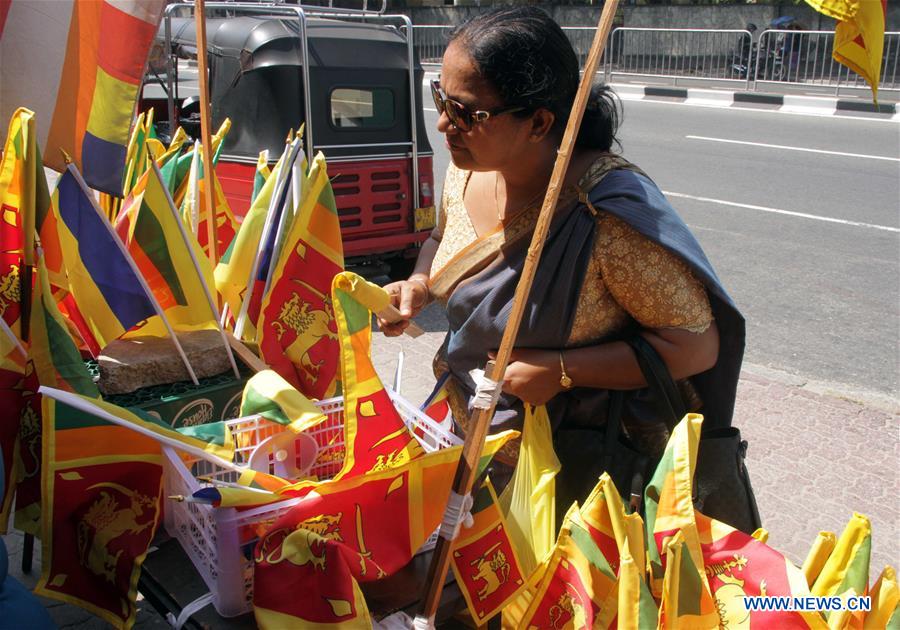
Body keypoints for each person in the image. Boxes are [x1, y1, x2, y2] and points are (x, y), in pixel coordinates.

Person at [379, 6, 745, 510]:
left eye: (466, 112)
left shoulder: (604, 219)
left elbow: (696, 346)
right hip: (471, 437)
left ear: (540, 122)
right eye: (440, 97)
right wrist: (419, 285)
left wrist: (564, 370)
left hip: (570, 477)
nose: (444, 123)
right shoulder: (467, 169)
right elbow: (442, 239)